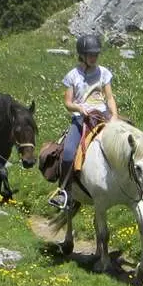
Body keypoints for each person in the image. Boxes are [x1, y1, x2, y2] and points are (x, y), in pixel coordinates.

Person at [49, 33, 117, 209]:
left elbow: (109, 98)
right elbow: (68, 103)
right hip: (81, 118)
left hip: (102, 115)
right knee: (69, 152)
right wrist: (79, 108)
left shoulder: (104, 73)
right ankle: (63, 191)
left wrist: (114, 116)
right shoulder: (72, 76)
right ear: (82, 55)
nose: (94, 58)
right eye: (90, 55)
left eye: (96, 54)